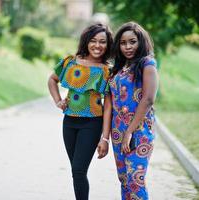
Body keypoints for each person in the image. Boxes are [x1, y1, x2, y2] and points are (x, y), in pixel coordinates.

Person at [47, 23, 113, 200]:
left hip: (92, 123)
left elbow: (108, 106)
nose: (97, 45)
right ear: (86, 41)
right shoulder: (70, 62)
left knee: (78, 169)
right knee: (76, 171)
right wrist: (58, 101)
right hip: (69, 122)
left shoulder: (108, 71)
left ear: (108, 45)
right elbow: (52, 80)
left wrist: (104, 138)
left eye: (102, 42)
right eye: (93, 41)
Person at [101, 21, 159, 200]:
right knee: (124, 180)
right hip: (117, 132)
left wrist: (130, 131)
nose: (128, 46)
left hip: (139, 130)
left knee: (136, 181)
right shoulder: (117, 69)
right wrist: (105, 137)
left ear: (141, 41)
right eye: (123, 42)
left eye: (132, 42)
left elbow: (148, 99)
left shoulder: (146, 64)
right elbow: (109, 105)